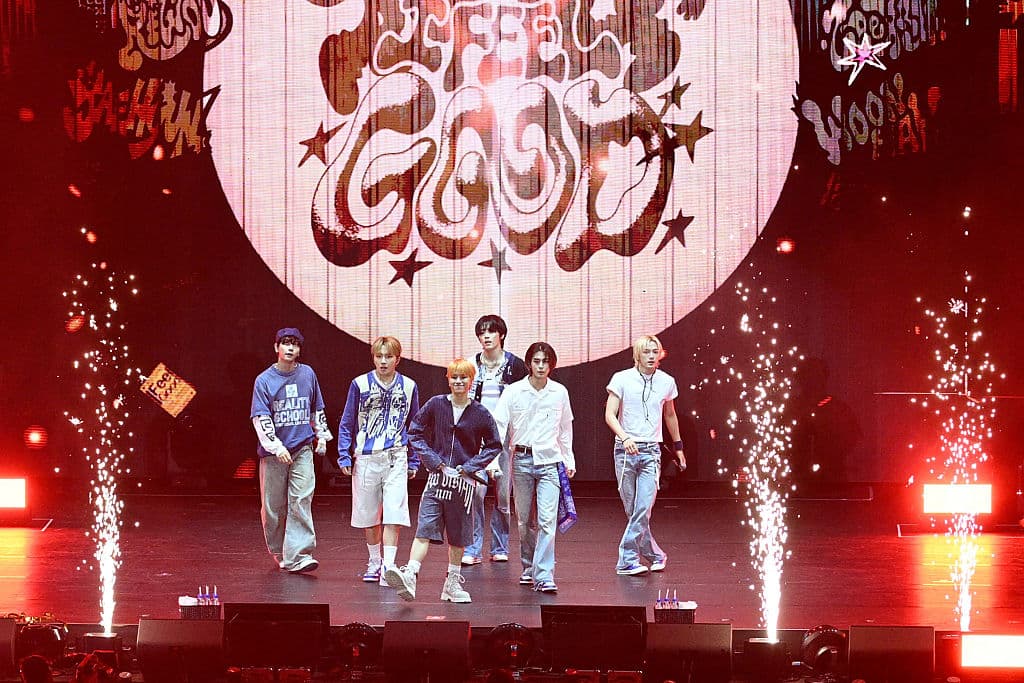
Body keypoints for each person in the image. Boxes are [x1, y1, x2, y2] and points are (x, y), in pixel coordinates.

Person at [384, 358, 502, 603]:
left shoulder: (480, 413)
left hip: (462, 483)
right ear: (448, 380)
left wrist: (469, 467)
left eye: (463, 378)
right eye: (454, 377)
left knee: (457, 535)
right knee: (424, 527)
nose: (458, 382)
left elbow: (494, 446)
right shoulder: (436, 405)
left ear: (472, 381)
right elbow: (414, 432)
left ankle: (452, 583)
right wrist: (433, 461)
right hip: (437, 479)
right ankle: (410, 574)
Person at [492, 341, 575, 593]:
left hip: (550, 462)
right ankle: (529, 567)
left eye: (545, 361)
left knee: (547, 521)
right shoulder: (514, 391)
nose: (541, 366)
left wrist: (569, 459)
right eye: (536, 361)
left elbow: (565, 429)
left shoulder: (559, 392)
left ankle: (544, 574)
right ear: (529, 363)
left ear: (552, 365)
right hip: (522, 461)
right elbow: (499, 427)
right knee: (525, 521)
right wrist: (494, 459)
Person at [337, 336, 420, 585]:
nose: (383, 361)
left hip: (396, 456)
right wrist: (344, 453)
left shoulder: (408, 386)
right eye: (379, 356)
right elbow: (347, 420)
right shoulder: (360, 384)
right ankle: (375, 561)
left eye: (388, 357)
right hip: (366, 457)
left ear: (398, 359)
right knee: (369, 515)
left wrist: (414, 459)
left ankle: (390, 566)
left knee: (394, 513)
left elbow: (414, 425)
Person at [250, 327, 333, 573]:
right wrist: (276, 446)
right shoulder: (264, 380)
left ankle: (300, 554)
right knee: (274, 506)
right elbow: (260, 417)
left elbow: (316, 407)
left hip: (302, 447)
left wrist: (322, 436)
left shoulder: (307, 374)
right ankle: (279, 551)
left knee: (301, 499)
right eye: (285, 343)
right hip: (274, 453)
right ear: (276, 347)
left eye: (294, 344)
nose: (290, 348)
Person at [604, 334, 686, 575]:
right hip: (626, 451)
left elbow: (670, 415)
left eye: (655, 351)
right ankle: (654, 554)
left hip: (651, 451)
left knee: (643, 508)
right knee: (633, 510)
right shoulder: (621, 379)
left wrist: (679, 448)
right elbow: (609, 415)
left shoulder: (667, 381)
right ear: (637, 354)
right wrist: (625, 436)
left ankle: (627, 559)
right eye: (646, 351)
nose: (651, 356)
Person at [463, 314, 528, 565]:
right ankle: (472, 548)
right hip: (476, 439)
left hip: (505, 438)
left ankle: (500, 547)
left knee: (502, 496)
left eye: (491, 332)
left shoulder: (516, 365)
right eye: (482, 332)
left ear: (501, 335)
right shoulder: (470, 365)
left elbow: (524, 400)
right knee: (476, 493)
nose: (486, 336)